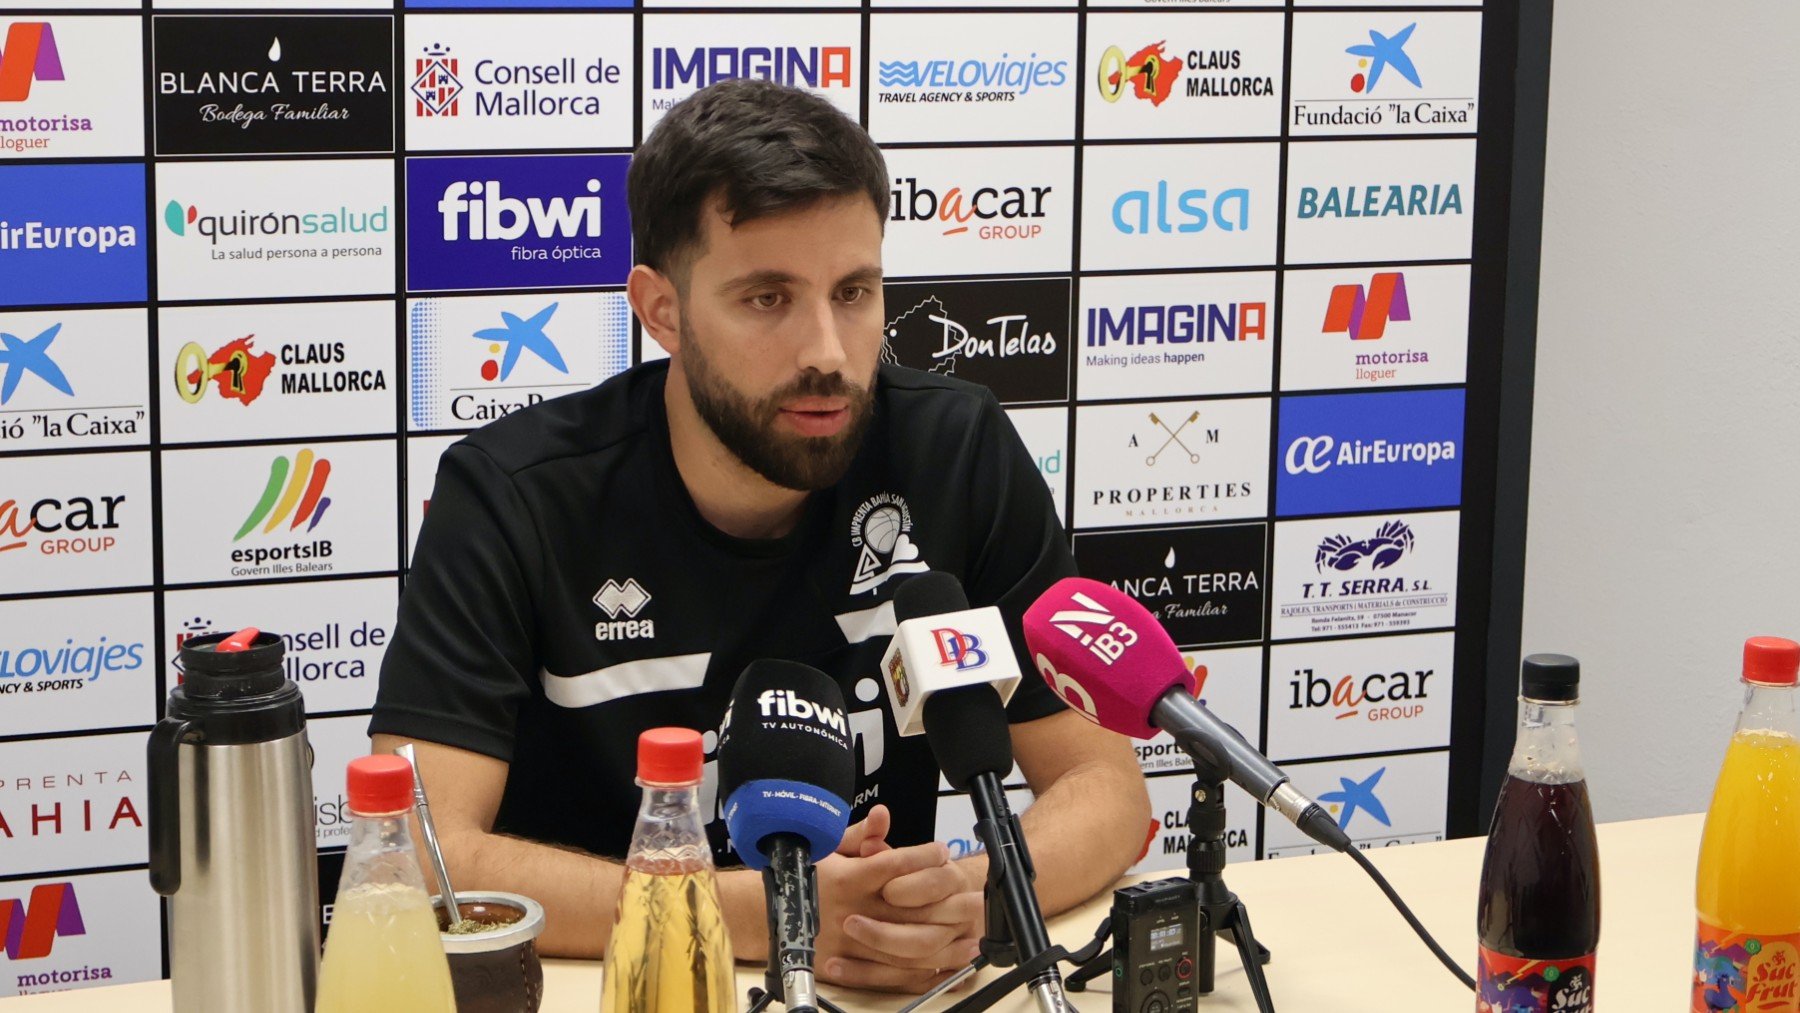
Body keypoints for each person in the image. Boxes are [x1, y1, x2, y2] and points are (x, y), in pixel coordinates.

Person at [369, 77, 1150, 995]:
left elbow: (1106, 786)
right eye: (768, 298)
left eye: (854, 291)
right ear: (661, 308)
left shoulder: (956, 448)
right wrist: (768, 914)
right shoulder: (512, 495)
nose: (827, 348)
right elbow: (415, 857)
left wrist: (972, 896)